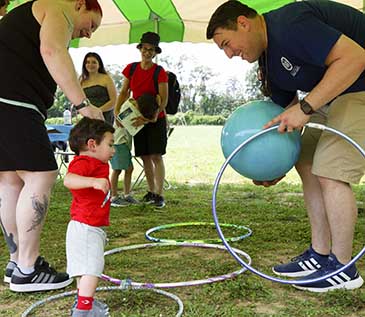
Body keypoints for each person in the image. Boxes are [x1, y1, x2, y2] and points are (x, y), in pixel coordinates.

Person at [207, 0, 365, 292]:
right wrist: (278, 162)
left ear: (244, 22)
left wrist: (306, 108)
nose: (229, 54)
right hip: (336, 92)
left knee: (331, 170)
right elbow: (288, 115)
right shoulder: (268, 61)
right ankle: (320, 254)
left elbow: (355, 58)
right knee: (304, 159)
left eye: (227, 44)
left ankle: (344, 268)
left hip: (359, 83)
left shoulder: (290, 25)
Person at [0, 0, 104, 293]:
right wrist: (83, 104)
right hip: (15, 101)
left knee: (9, 180)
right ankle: (27, 269)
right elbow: (52, 51)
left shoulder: (29, 16)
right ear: (80, 4)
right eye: (91, 23)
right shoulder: (57, 7)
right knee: (41, 174)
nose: (89, 34)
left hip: (6, 102)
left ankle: (17, 262)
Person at [64, 117, 114, 317]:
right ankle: (84, 310)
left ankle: (84, 302)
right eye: (110, 144)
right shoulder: (84, 162)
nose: (113, 150)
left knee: (84, 269)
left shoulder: (95, 162)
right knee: (92, 269)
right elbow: (69, 179)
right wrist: (93, 181)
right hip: (86, 227)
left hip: (86, 226)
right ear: (92, 145)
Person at [115, 32, 169, 208]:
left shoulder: (159, 72)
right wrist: (117, 112)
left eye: (151, 50)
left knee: (156, 156)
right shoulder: (131, 69)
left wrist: (149, 118)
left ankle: (160, 194)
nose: (147, 52)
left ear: (155, 53)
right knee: (145, 156)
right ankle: (151, 191)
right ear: (140, 49)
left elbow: (164, 99)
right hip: (135, 119)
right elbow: (124, 92)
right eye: (144, 48)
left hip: (155, 119)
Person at [111, 93, 160, 207]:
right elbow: (126, 122)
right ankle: (114, 197)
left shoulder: (131, 105)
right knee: (117, 169)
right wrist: (145, 120)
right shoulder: (128, 108)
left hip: (124, 142)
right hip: (119, 142)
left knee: (128, 169)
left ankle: (127, 195)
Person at [80, 52, 117, 125]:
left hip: (105, 116)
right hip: (88, 117)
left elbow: (114, 100)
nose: (90, 65)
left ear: (99, 65)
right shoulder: (81, 80)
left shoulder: (106, 78)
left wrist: (99, 111)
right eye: (87, 62)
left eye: (94, 62)